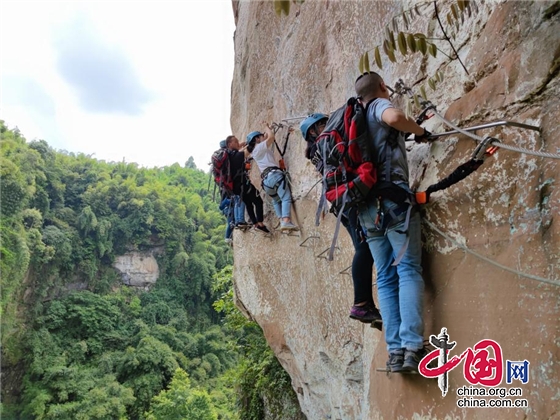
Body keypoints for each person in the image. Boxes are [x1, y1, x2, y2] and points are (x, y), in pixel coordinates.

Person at [354, 71, 433, 373]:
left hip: (365, 209)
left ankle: (395, 352)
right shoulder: (376, 106)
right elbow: (395, 116)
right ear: (382, 87)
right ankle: (413, 347)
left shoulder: (353, 120)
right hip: (392, 201)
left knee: (386, 278)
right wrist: (420, 131)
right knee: (408, 269)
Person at [300, 113, 382, 330]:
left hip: (339, 200)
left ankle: (368, 306)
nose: (326, 126)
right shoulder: (324, 143)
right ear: (312, 132)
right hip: (347, 198)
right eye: (321, 124)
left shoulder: (316, 149)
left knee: (362, 248)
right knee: (366, 247)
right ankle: (361, 303)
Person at [246, 127, 298, 231]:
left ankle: (281, 220)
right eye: (260, 137)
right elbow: (271, 137)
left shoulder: (254, 151)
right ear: (256, 139)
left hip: (266, 182)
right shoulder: (260, 147)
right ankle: (286, 220)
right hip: (274, 176)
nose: (262, 137)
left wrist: (264, 135)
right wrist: (267, 128)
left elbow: (266, 138)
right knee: (285, 197)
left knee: (276, 200)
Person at [225, 135, 270, 234]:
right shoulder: (235, 156)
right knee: (258, 201)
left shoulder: (228, 155)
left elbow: (241, 148)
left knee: (248, 204)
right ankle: (260, 223)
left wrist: (245, 142)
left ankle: (255, 223)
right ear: (230, 144)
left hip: (236, 188)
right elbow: (247, 151)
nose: (238, 143)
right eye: (235, 142)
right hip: (243, 184)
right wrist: (254, 141)